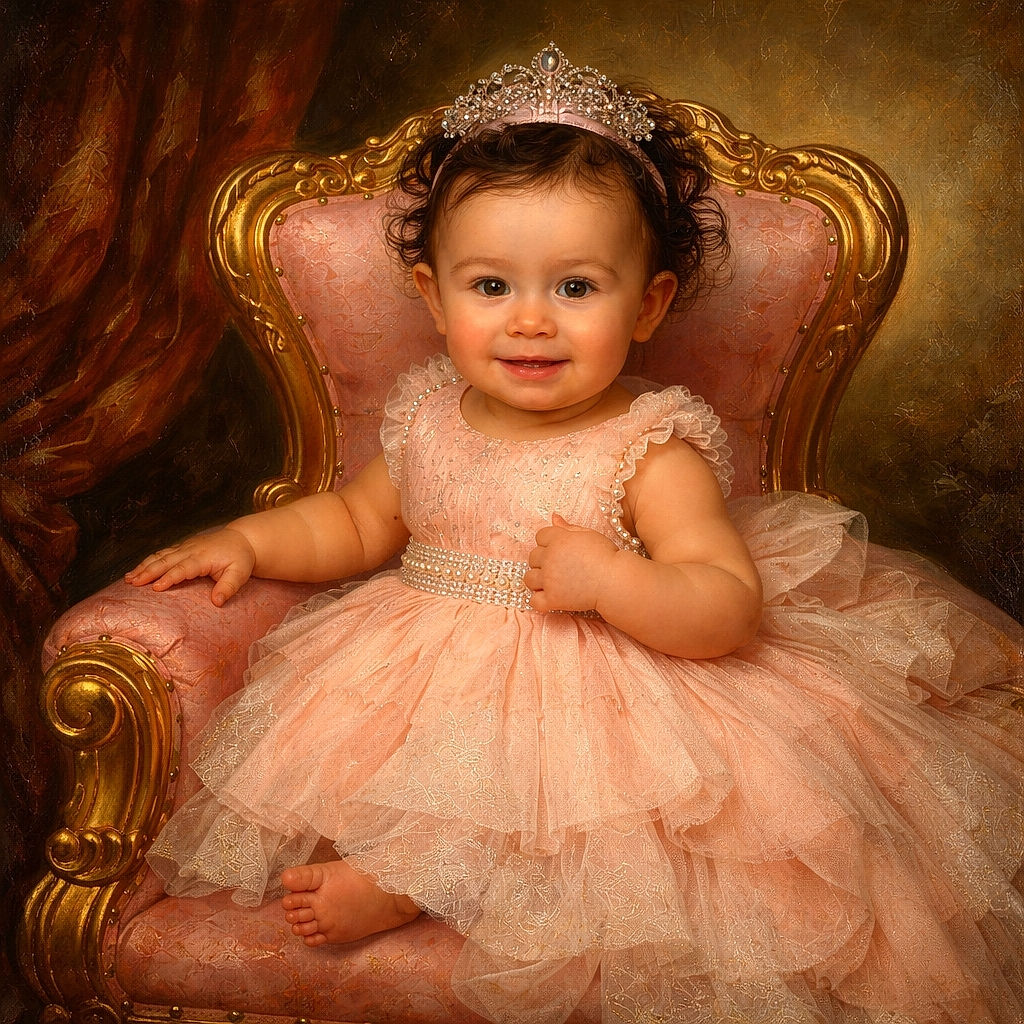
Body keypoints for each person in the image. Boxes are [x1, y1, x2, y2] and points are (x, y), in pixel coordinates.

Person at [127, 44, 1024, 1024]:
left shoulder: (650, 446)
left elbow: (722, 603)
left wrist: (610, 581)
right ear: (431, 296)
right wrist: (253, 545)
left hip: (594, 680)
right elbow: (352, 520)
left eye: (575, 289)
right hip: (421, 668)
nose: (531, 324)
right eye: (490, 287)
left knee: (554, 800)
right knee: (423, 763)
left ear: (649, 306)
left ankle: (406, 882)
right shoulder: (428, 413)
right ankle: (404, 859)